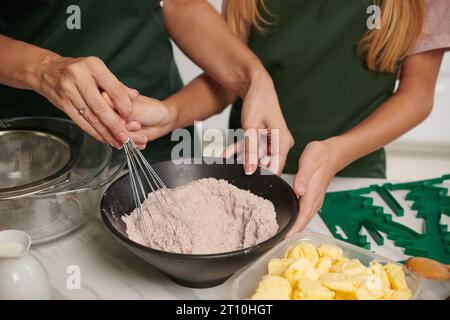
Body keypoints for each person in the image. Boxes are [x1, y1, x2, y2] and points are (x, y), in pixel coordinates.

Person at [127, 0, 449, 233]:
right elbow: (229, 81)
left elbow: (417, 96)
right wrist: (172, 113)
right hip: (252, 180)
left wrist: (337, 152)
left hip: (351, 181)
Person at [0, 0, 293, 166]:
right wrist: (44, 70)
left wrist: (253, 78)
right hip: (35, 151)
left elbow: (180, 4)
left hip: (156, 140)